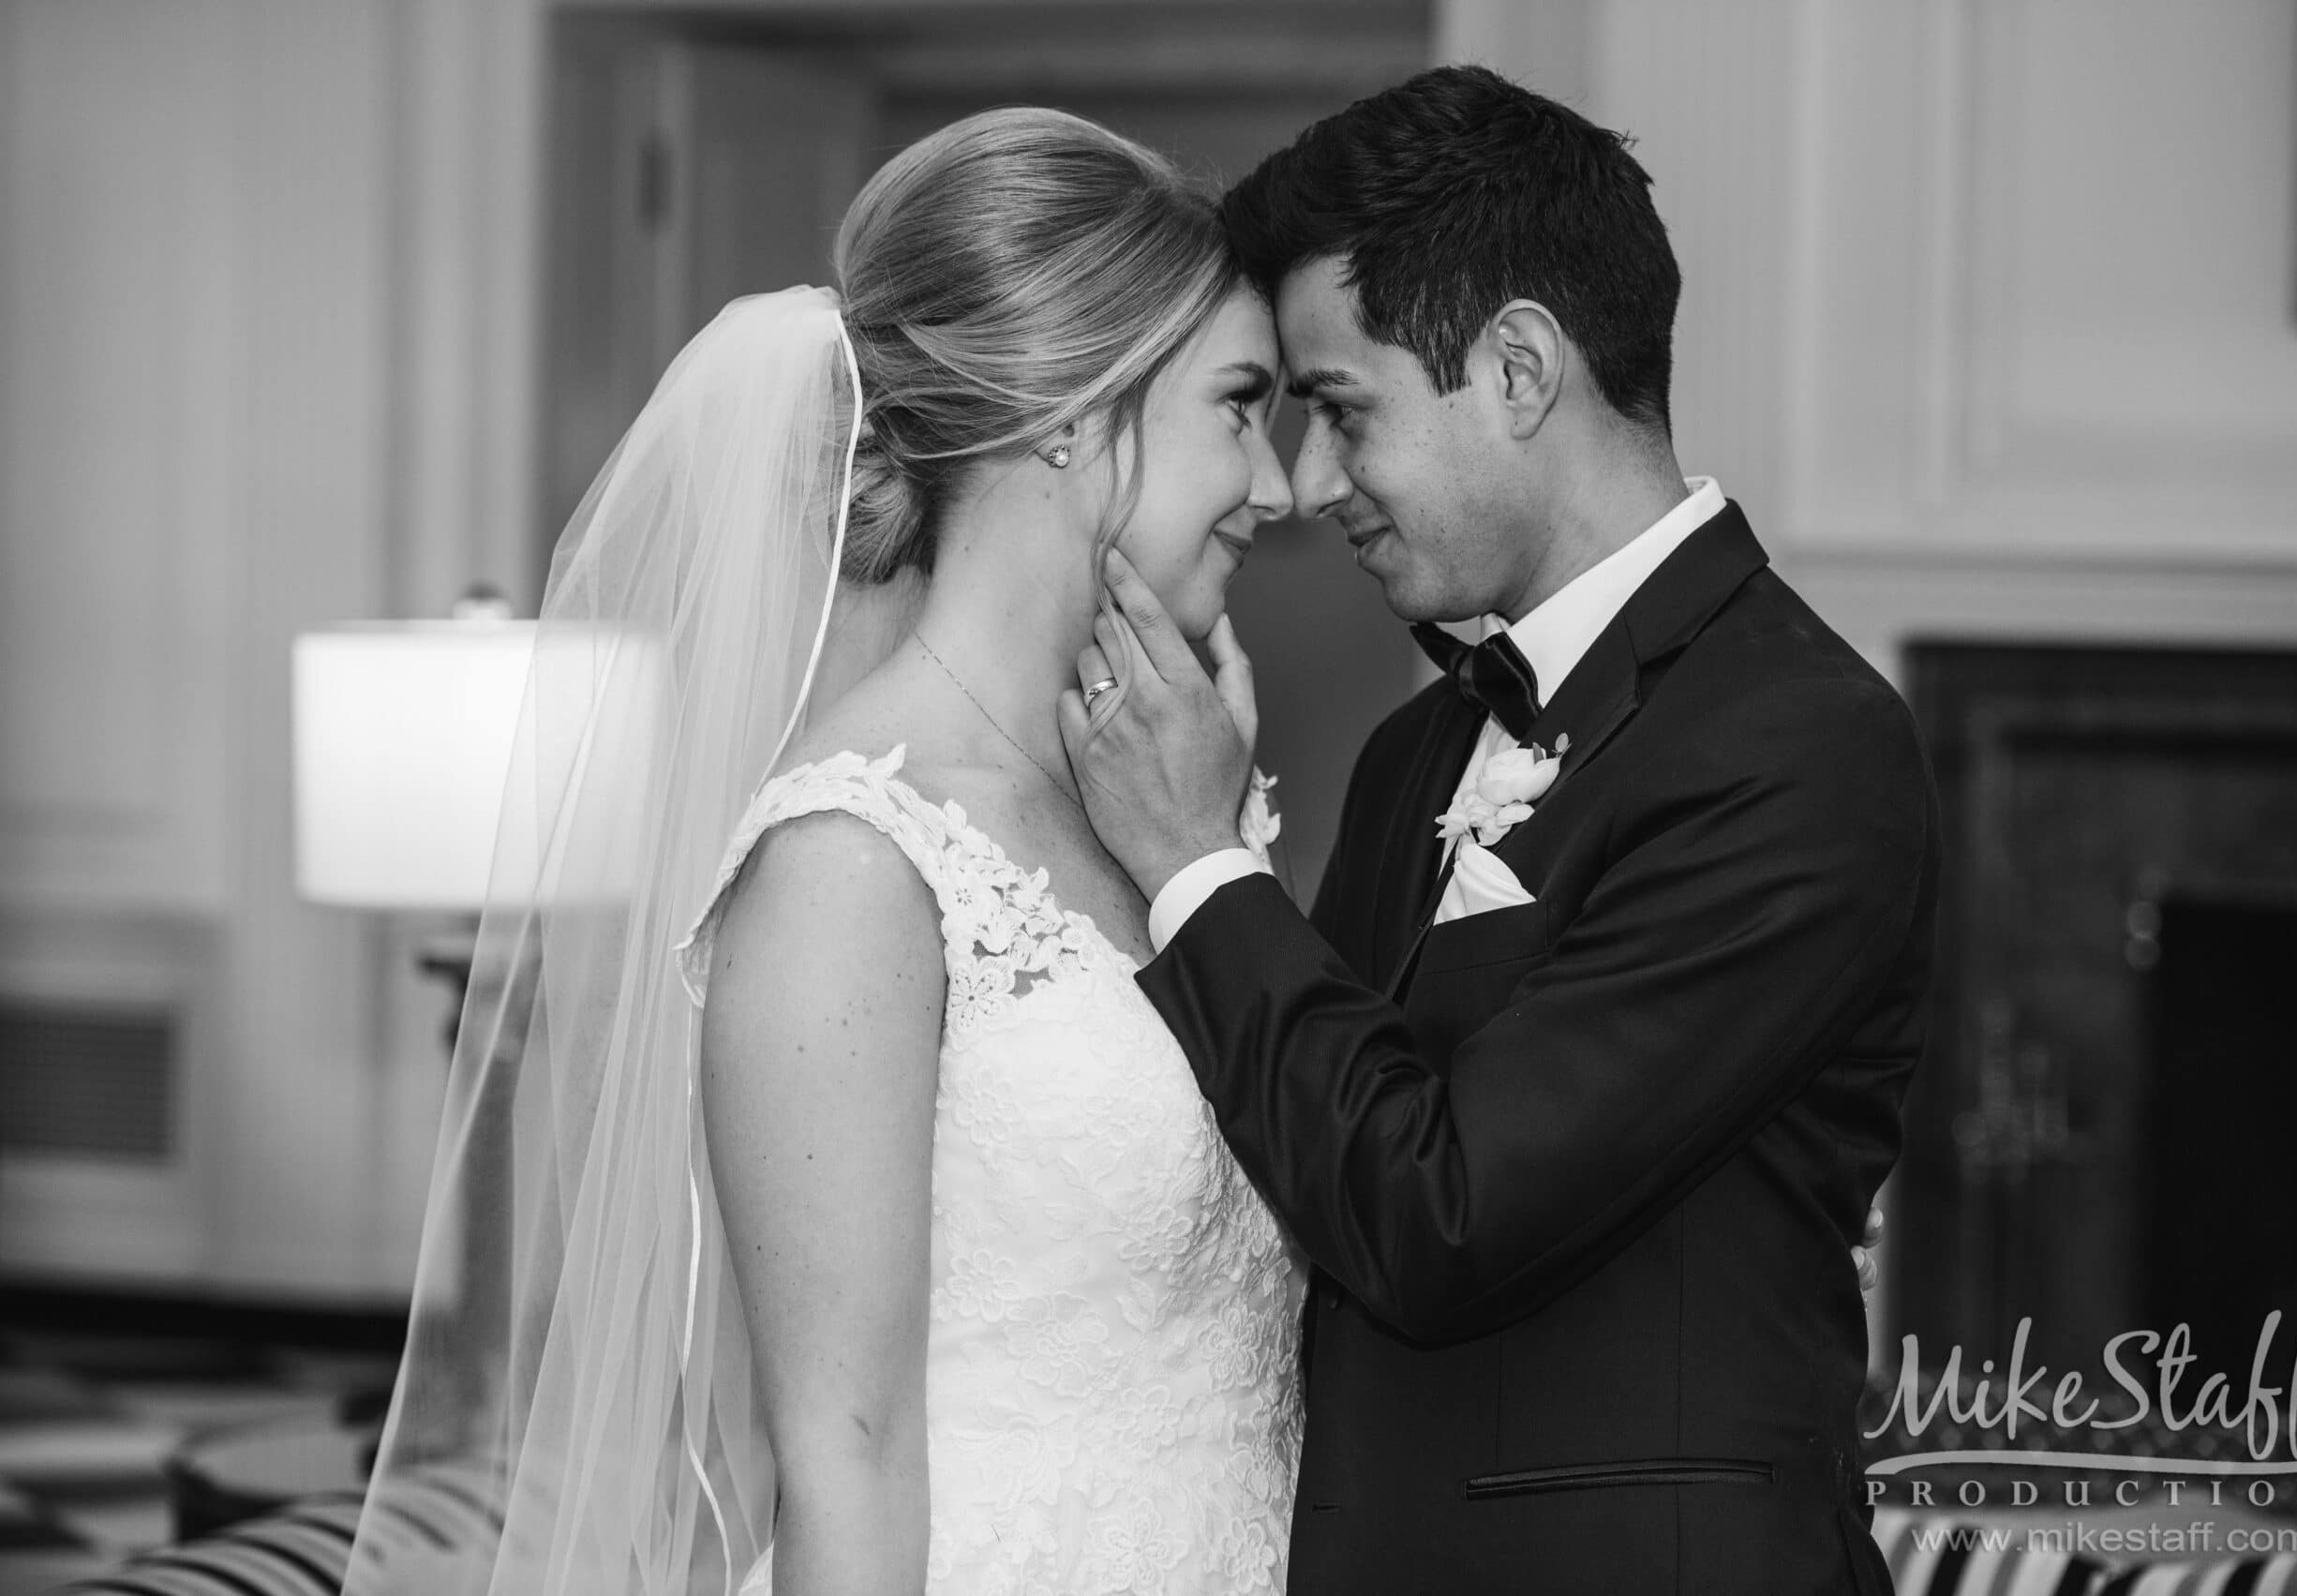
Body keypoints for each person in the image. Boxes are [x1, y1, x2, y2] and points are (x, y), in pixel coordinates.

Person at [347, 107, 1303, 1596]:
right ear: (1071, 405)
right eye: (1241, 407)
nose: (1283, 486)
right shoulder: (853, 857)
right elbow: (844, 1451)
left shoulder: (1181, 788)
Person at [1063, 67, 1939, 1596]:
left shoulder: (1800, 746)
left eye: (1342, 410)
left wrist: (1200, 864)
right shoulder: (1419, 746)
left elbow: (1440, 1213)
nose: (1308, 485)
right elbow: (1314, 1155)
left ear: (1520, 369)